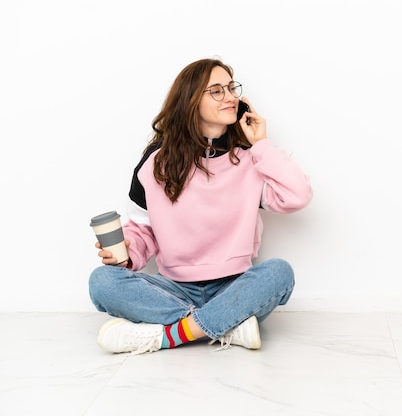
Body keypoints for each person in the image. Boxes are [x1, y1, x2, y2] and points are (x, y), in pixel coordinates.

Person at [88, 58, 313, 355]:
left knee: (278, 273)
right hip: (174, 288)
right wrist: (127, 254)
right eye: (217, 91)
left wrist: (261, 145)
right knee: (102, 281)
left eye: (231, 88)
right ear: (191, 101)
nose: (231, 96)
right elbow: (143, 228)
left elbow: (297, 196)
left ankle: (167, 336)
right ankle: (228, 325)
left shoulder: (249, 159)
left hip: (234, 286)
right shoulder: (156, 162)